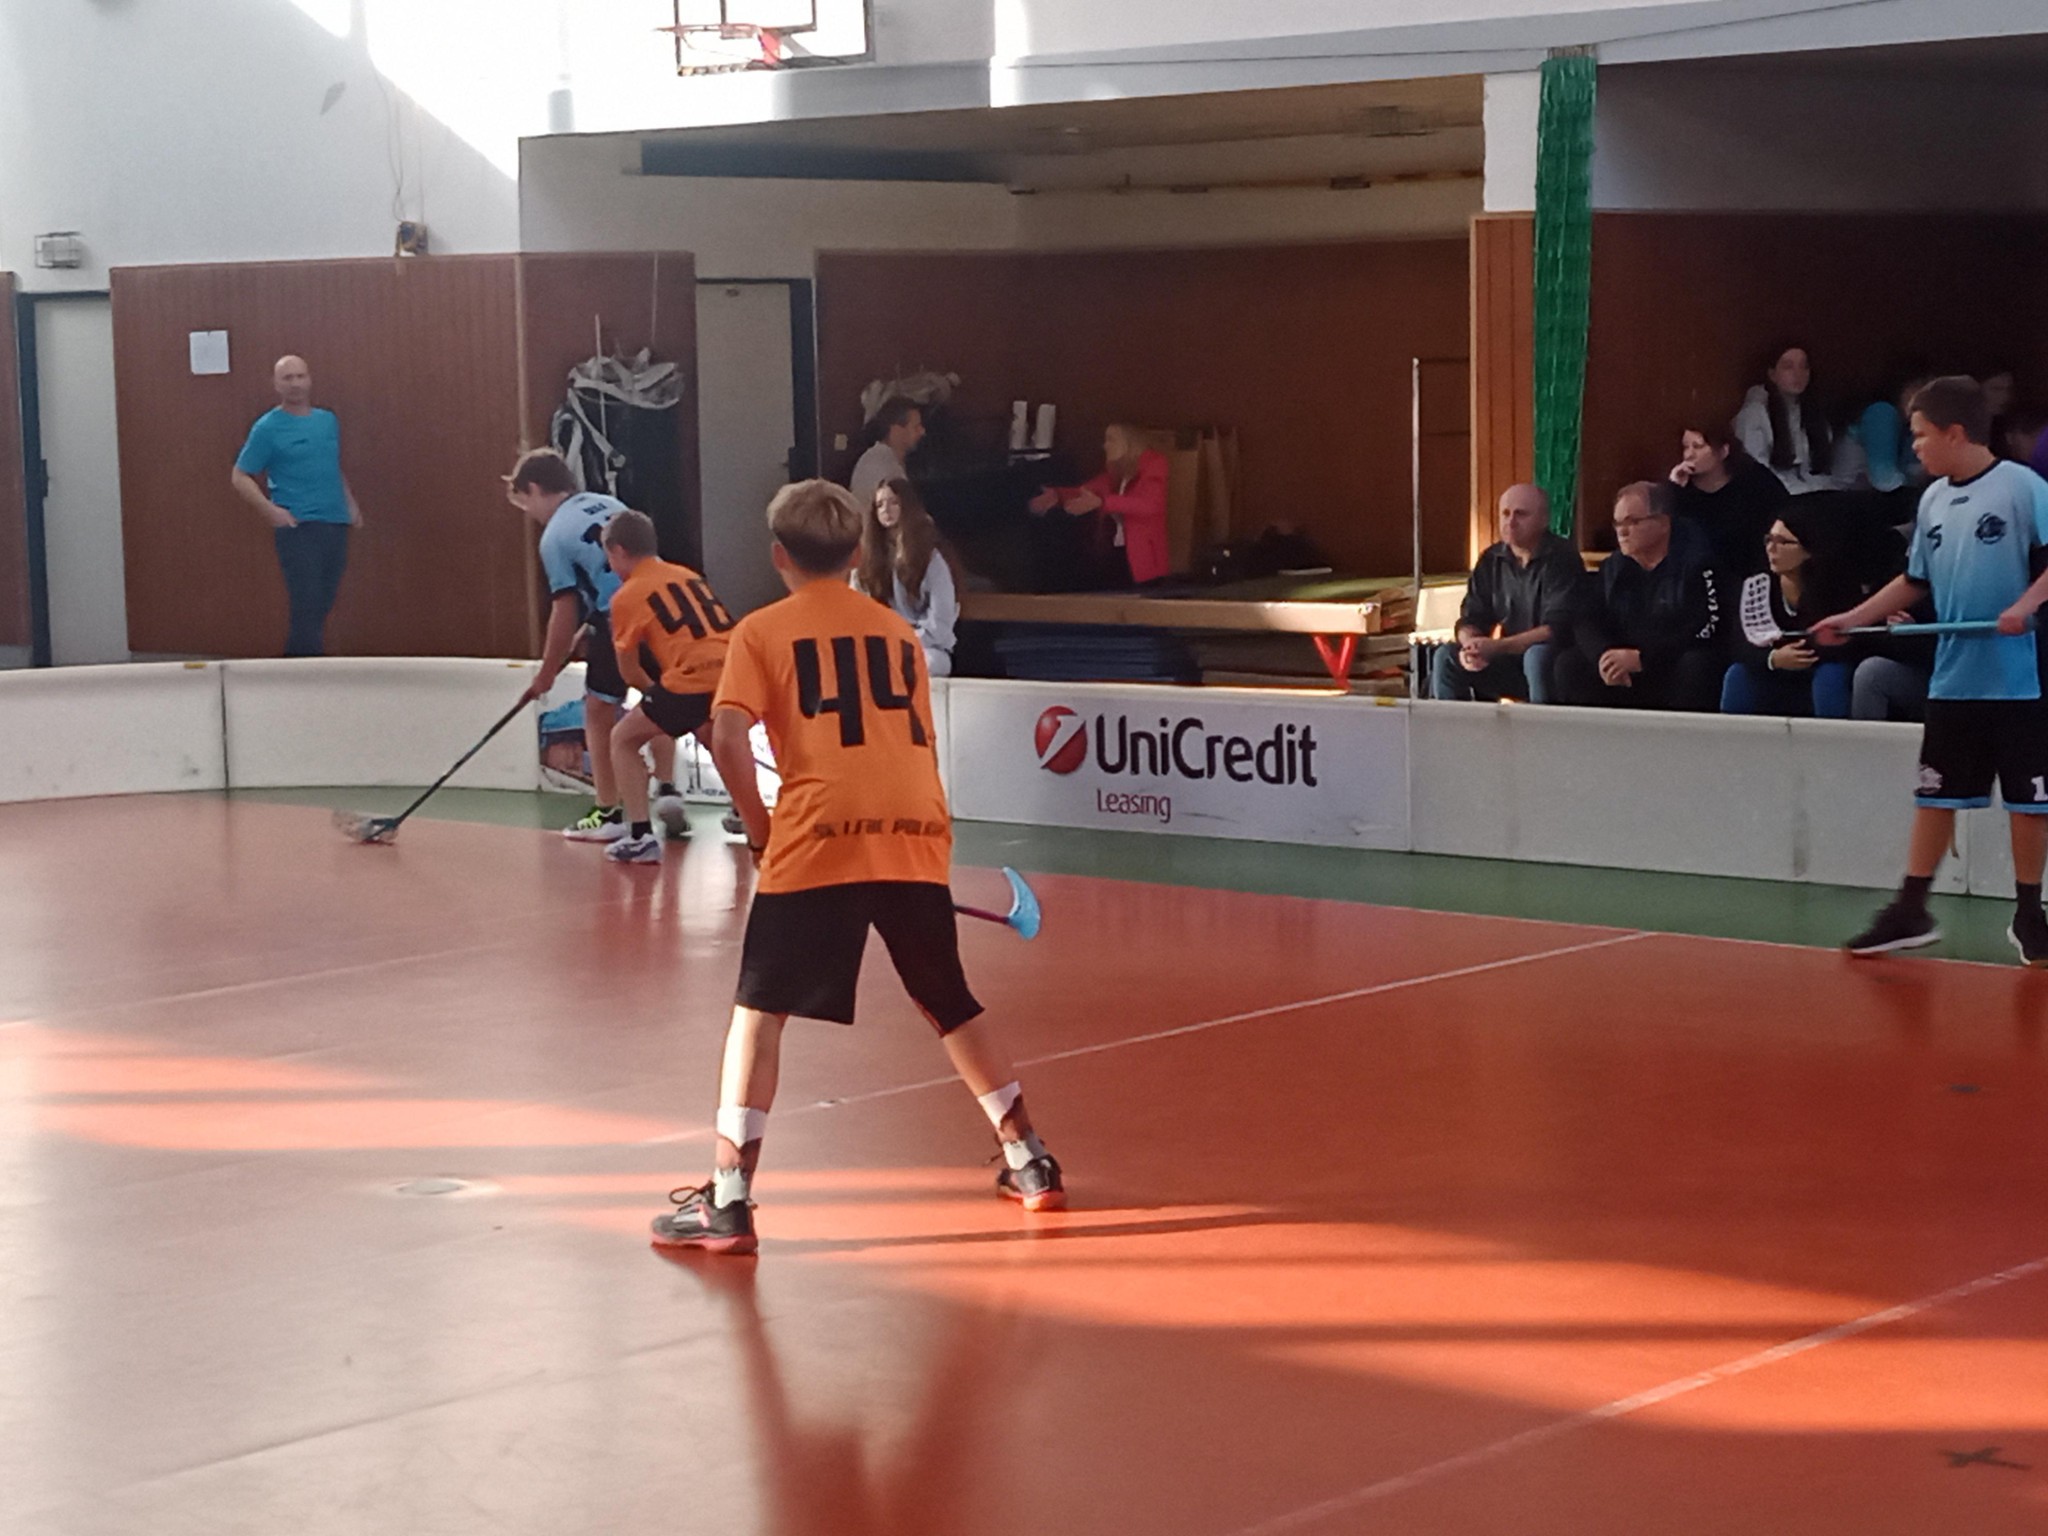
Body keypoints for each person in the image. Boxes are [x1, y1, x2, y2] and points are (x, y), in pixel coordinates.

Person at [650, 480, 1064, 1255]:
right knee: (948, 999)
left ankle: (728, 1199)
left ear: (779, 556)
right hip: (915, 828)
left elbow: (728, 737)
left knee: (759, 1012)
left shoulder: (761, 632)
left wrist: (762, 829)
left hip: (818, 834)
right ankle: (1030, 1159)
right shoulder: (899, 634)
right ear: (854, 555)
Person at [1812, 377, 2048, 965]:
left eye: (1920, 435)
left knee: (2030, 802)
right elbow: (1915, 579)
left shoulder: (2023, 488)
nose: (1913, 446)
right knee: (1935, 794)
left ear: (1955, 433)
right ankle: (1910, 908)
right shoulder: (1933, 500)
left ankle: (2029, 913)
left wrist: (2024, 605)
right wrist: (1854, 618)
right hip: (1954, 675)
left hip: (2020, 679)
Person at [504, 449, 684, 844]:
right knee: (659, 698)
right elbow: (608, 570)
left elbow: (564, 607)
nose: (530, 514)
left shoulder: (553, 537)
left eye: (525, 502)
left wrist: (546, 673)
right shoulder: (610, 504)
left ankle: (608, 810)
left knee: (598, 711)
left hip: (618, 617)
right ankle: (668, 788)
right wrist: (587, 627)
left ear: (534, 488)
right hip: (661, 611)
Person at [598, 510, 735, 865]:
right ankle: (745, 813)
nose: (610, 565)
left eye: (609, 556)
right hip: (733, 671)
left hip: (690, 677)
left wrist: (657, 695)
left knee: (623, 739)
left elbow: (630, 672)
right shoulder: (688, 575)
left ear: (618, 550)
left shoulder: (626, 596)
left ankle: (640, 836)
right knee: (713, 735)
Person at [231, 355, 362, 657]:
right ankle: (304, 670)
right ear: (276, 384)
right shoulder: (267, 428)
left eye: (300, 376)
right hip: (298, 526)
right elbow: (240, 475)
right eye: (287, 378)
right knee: (307, 602)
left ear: (310, 380)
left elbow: (331, 466)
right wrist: (269, 510)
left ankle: (299, 665)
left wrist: (350, 504)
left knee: (324, 601)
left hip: (335, 521)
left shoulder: (327, 421)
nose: (295, 384)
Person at [1554, 481, 1722, 712]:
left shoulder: (1698, 564)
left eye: (1633, 522)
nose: (1622, 531)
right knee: (1569, 664)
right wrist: (1604, 655)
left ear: (1663, 523)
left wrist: (1643, 658)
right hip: (1623, 665)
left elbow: (1706, 628)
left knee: (1697, 664)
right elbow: (1585, 618)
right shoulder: (1612, 567)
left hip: (1667, 664)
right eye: (1618, 523)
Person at [1431, 482, 1578, 703]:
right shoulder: (1491, 559)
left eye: (1521, 514)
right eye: (1506, 514)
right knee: (1446, 656)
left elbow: (1556, 628)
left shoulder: (1562, 557)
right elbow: (1471, 617)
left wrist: (1497, 647)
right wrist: (1472, 645)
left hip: (1553, 661)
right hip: (1507, 657)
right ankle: (1452, 725)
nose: (1511, 522)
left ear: (1543, 520)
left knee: (1536, 656)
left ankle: (1541, 725)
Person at [1719, 504, 1854, 718]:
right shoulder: (1756, 587)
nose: (1772, 548)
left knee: (1831, 675)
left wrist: (1801, 654)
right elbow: (1738, 644)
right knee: (1737, 674)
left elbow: (1849, 644)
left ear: (1808, 550)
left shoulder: (1835, 588)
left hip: (1818, 672)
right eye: (1769, 540)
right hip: (1777, 674)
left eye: (1783, 542)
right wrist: (1773, 658)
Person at [1029, 424, 1171, 587]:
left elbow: (1150, 505)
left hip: (1143, 559)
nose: (1105, 446)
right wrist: (1058, 496)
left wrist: (1104, 502)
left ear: (1129, 443)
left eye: (1111, 440)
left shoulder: (1154, 465)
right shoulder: (1114, 475)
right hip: (1116, 553)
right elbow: (1087, 491)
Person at [854, 478, 958, 677]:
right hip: (879, 645)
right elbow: (857, 610)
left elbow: (940, 621)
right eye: (879, 505)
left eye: (894, 502)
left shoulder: (930, 558)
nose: (886, 509)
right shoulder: (866, 560)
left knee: (928, 664)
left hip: (923, 646)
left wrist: (906, 639)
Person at [1669, 420, 1789, 587]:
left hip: (1756, 576)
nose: (1689, 455)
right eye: (1685, 447)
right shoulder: (1682, 491)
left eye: (1698, 446)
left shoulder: (1755, 479)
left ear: (1723, 451)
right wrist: (1674, 488)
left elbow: (1786, 515)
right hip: (1703, 580)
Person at [1734, 344, 1837, 495]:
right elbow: (1757, 474)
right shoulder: (1755, 414)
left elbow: (1817, 470)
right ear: (1772, 374)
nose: (1798, 374)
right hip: (1773, 496)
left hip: (1811, 493)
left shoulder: (1812, 411)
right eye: (1788, 367)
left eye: (1804, 367)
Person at [848, 397, 926, 511]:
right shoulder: (881, 465)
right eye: (916, 427)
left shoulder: (884, 459)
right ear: (897, 431)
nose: (922, 431)